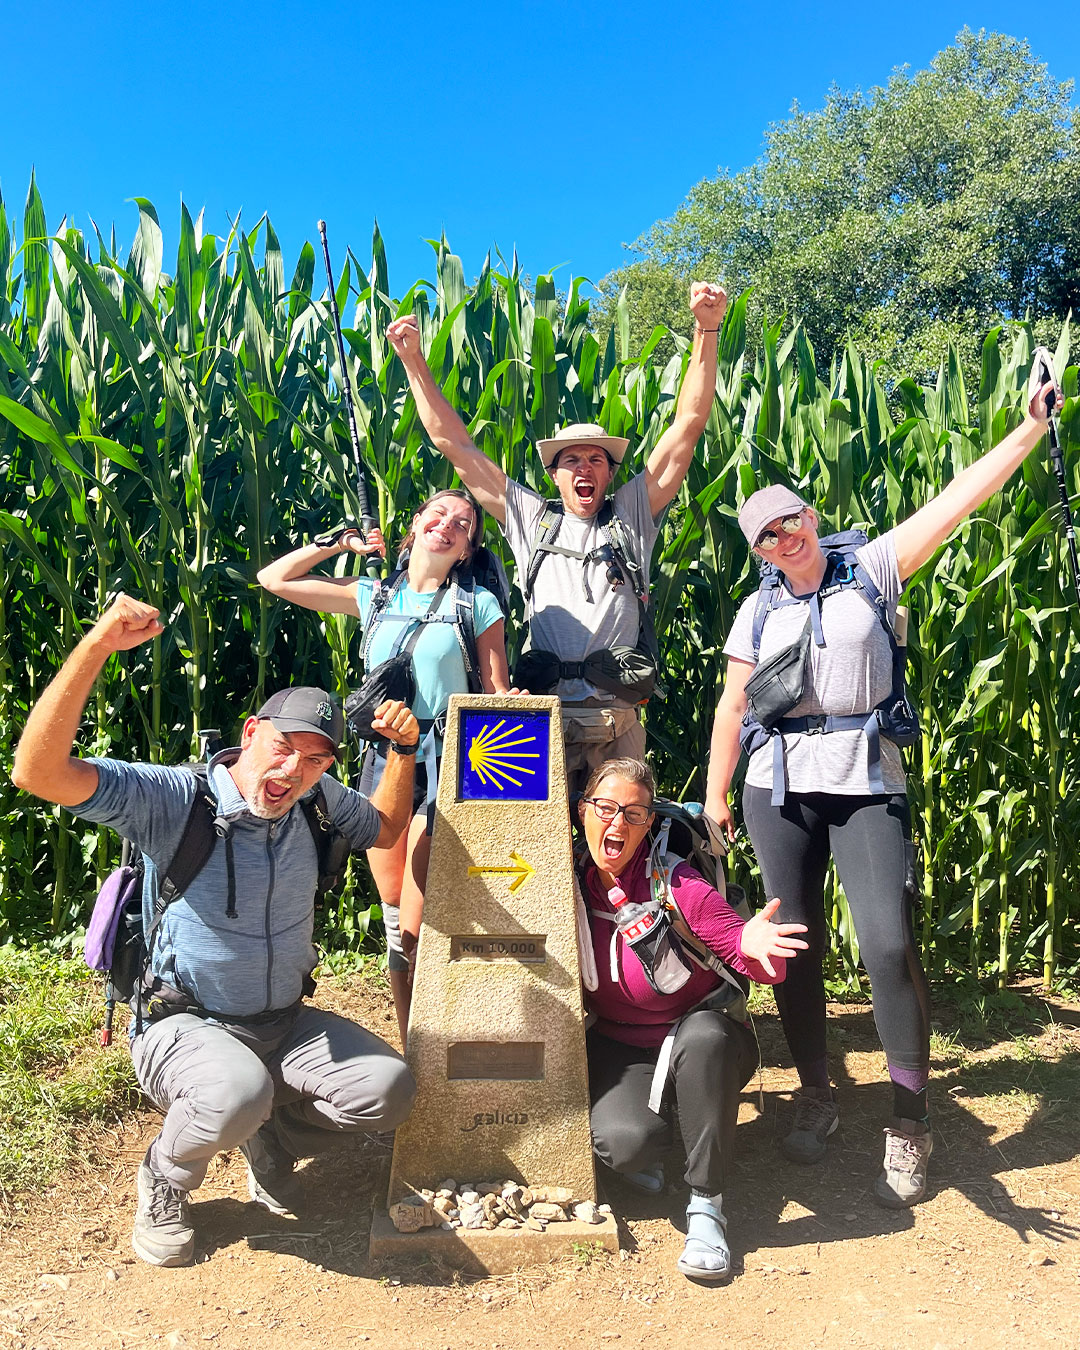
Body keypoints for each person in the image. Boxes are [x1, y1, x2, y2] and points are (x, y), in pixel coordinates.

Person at [704, 368, 1064, 1208]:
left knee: (888, 945)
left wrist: (1028, 429)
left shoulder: (872, 567)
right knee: (792, 946)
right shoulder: (757, 610)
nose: (783, 538)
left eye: (790, 520)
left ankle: (910, 1123)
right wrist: (718, 794)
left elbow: (958, 500)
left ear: (811, 517)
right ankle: (817, 1093)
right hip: (777, 785)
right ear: (757, 550)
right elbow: (731, 704)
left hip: (866, 779)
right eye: (766, 535)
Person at [11, 593, 421, 1267]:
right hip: (184, 1024)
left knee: (388, 1090)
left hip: (282, 1023)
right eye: (283, 747)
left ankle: (269, 1138)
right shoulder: (176, 800)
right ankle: (165, 1178)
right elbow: (38, 773)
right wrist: (97, 645)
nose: (292, 771)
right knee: (234, 1094)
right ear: (252, 731)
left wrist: (402, 750)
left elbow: (384, 827)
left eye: (315, 760)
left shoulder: (316, 800)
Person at [385, 282, 728, 797]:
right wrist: (413, 361)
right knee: (537, 843)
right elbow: (454, 444)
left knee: (618, 834)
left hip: (617, 719)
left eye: (596, 460)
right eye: (572, 460)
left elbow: (688, 425)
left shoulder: (632, 514)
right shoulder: (530, 518)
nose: (584, 468)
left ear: (610, 474)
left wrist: (707, 329)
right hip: (538, 720)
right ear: (554, 474)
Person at [257, 489, 511, 1045]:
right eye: (438, 514)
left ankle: (442, 1042)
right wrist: (338, 544)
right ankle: (412, 1046)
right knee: (396, 919)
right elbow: (274, 579)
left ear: (467, 549)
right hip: (386, 759)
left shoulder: (477, 605)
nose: (448, 525)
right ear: (415, 525)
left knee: (419, 924)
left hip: (455, 760)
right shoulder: (374, 595)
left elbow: (498, 695)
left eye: (463, 524)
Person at [577, 757, 808, 1282]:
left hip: (702, 1038)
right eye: (606, 808)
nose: (617, 823)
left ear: (649, 825)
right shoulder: (567, 882)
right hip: (620, 1045)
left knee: (704, 1037)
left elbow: (737, 945)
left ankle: (707, 1207)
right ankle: (664, 1135)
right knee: (624, 1145)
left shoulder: (674, 881)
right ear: (582, 811)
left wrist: (754, 946)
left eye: (635, 814)